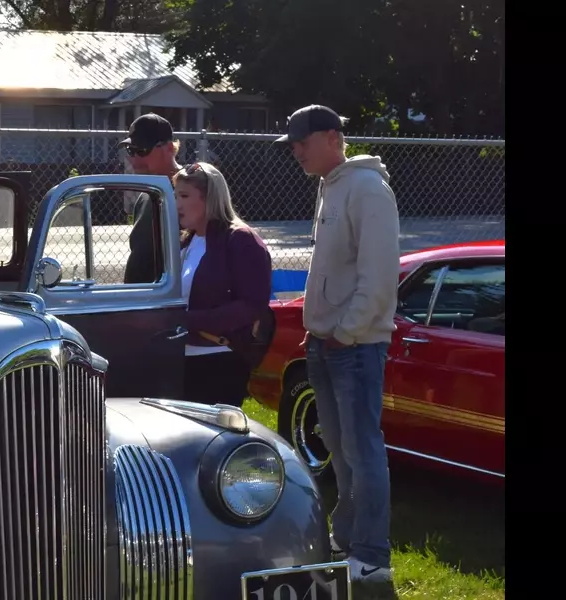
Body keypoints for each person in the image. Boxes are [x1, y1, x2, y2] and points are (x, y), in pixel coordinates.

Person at [275, 104, 400, 585]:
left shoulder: (368, 188)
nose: (296, 153)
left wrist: (347, 332)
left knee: (363, 449)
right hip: (326, 343)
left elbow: (379, 275)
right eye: (293, 146)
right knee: (340, 449)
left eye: (302, 143)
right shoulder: (330, 187)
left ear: (332, 137)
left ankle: (372, 557)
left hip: (357, 345)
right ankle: (347, 541)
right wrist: (321, 330)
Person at [170, 162, 273, 408]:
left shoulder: (241, 240)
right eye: (175, 196)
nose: (177, 204)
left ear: (209, 199)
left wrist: (187, 320)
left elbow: (252, 304)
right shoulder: (187, 240)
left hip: (220, 361)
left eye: (184, 196)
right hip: (180, 359)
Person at [119, 113, 183, 284]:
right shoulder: (146, 195)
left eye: (142, 151)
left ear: (169, 148)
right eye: (131, 151)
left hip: (167, 301)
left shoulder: (190, 190)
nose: (135, 160)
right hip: (140, 300)